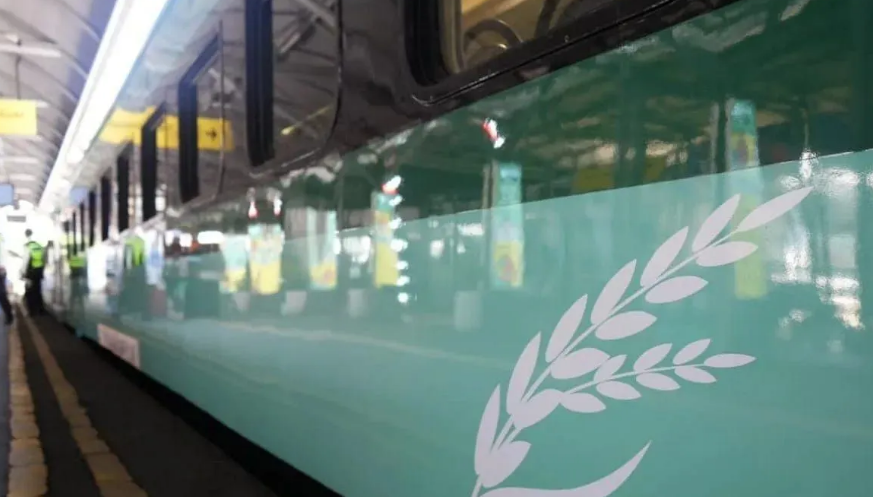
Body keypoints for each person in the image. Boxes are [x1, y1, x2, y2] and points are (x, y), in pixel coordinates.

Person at [23, 229, 46, 315]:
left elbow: (25, 261)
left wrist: (23, 273)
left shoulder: (27, 246)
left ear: (26, 235)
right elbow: (44, 259)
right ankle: (41, 310)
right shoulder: (39, 246)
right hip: (39, 271)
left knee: (29, 292)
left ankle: (31, 311)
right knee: (38, 290)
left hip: (30, 272)